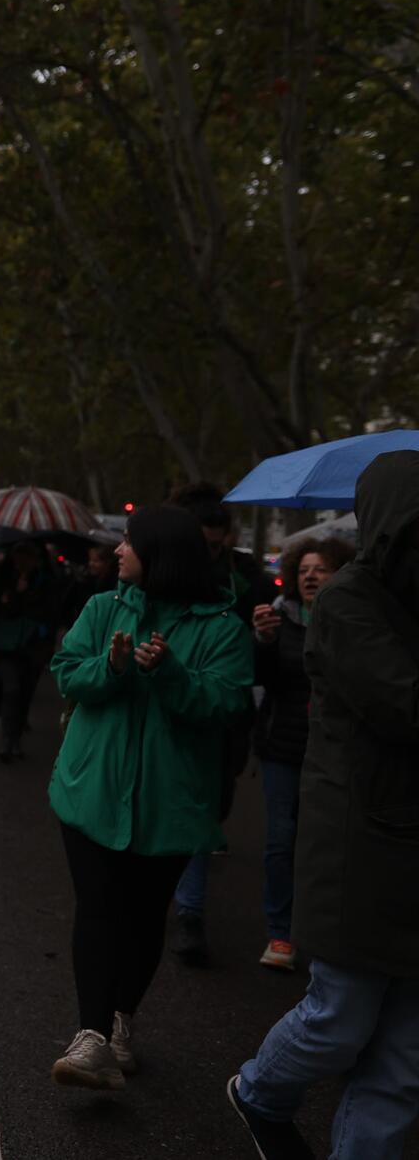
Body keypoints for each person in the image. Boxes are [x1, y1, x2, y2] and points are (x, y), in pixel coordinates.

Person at [229, 452, 419, 1160]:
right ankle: (260, 1089)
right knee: (340, 1019)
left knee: (403, 1061)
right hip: (359, 849)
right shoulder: (348, 602)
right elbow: (403, 703)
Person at [45, 505, 252, 1091]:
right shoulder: (102, 607)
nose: (117, 552)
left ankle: (119, 1025)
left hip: (170, 804)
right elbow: (66, 673)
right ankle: (89, 1039)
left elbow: (229, 704)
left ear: (158, 553)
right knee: (98, 907)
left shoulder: (223, 628)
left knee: (141, 921)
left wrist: (172, 676)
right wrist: (110, 670)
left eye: (128, 543)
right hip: (91, 790)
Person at [166, 482, 267, 965]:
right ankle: (189, 913)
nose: (214, 549)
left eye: (219, 541)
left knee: (212, 803)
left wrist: (263, 634)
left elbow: (265, 650)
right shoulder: (158, 576)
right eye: (205, 542)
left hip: (225, 712)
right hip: (172, 715)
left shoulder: (244, 577)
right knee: (194, 810)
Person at [247, 537, 353, 974]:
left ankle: (323, 934)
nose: (310, 576)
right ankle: (281, 932)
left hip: (334, 753)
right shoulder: (277, 617)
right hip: (282, 748)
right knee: (279, 840)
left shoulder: (351, 622)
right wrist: (264, 642)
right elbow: (262, 681)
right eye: (305, 569)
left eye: (321, 569)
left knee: (326, 844)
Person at [0, 541, 60, 764]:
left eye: (27, 558)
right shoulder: (4, 579)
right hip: (9, 645)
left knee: (25, 692)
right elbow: (2, 611)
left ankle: (16, 738)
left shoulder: (46, 581)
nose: (22, 562)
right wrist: (16, 594)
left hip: (34, 647)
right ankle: (6, 741)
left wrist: (27, 594)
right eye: (19, 558)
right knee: (11, 689)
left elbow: (50, 612)